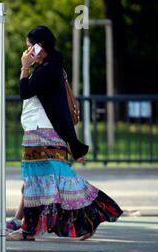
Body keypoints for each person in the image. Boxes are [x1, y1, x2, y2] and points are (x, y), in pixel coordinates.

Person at [7, 26, 123, 241]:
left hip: (41, 133)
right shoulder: (50, 68)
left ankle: (29, 230)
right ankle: (27, 226)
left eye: (30, 47)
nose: (28, 52)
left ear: (39, 47)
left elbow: (24, 92)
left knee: (45, 180)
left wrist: (24, 67)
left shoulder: (47, 70)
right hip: (42, 131)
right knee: (38, 181)